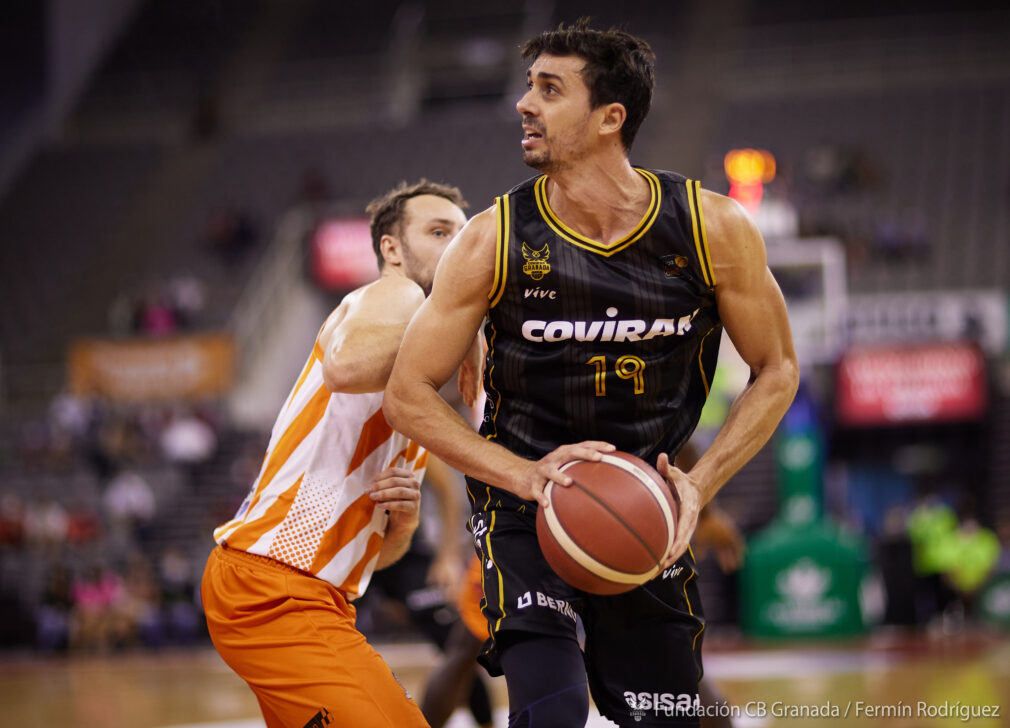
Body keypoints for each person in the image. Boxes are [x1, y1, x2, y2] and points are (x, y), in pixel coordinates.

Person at [384, 21, 798, 728]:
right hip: (525, 513)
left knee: (673, 716)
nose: (524, 103)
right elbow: (407, 394)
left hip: (647, 511)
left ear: (611, 117)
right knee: (552, 713)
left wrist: (699, 488)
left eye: (549, 89)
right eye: (528, 85)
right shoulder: (493, 238)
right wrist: (522, 476)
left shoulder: (711, 229)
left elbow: (777, 368)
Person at [201, 180, 470, 728]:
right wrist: (459, 326)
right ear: (392, 250)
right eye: (438, 231)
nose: (456, 247)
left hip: (317, 598)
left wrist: (402, 528)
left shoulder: (411, 397)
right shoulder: (397, 295)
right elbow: (343, 367)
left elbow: (378, 560)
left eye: (463, 236)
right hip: (272, 585)